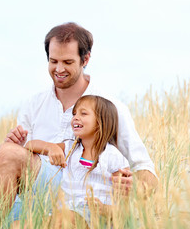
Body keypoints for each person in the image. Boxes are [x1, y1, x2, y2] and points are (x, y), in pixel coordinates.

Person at [0, 22, 158, 229]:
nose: (59, 69)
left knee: (11, 156)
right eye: (53, 61)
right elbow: (14, 161)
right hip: (27, 199)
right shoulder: (35, 104)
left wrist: (134, 185)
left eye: (67, 61)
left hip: (74, 201)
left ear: (86, 59)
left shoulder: (109, 107)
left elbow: (147, 171)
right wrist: (11, 147)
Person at [24, 95, 130, 227]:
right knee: (19, 224)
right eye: (74, 113)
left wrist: (105, 209)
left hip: (95, 218)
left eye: (83, 113)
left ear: (101, 121)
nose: (75, 117)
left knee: (62, 219)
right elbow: (29, 145)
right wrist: (51, 147)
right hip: (66, 212)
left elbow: (124, 208)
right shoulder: (70, 148)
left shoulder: (113, 156)